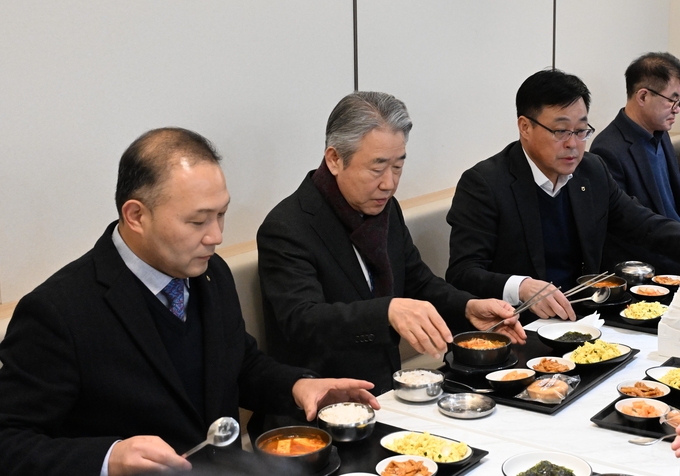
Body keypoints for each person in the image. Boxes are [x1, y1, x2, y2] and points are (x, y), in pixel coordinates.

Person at [0, 127, 379, 476]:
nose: (216, 236)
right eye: (198, 222)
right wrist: (108, 458)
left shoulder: (211, 274)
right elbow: (10, 441)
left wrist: (297, 385)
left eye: (222, 215)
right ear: (136, 215)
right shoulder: (59, 311)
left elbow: (238, 363)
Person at [257, 91, 525, 397]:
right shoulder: (288, 226)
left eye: (398, 166)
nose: (389, 182)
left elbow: (417, 281)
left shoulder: (385, 208)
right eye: (377, 168)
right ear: (334, 159)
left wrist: (467, 307)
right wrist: (386, 310)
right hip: (324, 403)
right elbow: (303, 321)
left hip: (388, 387)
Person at [446, 69, 680, 322]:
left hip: (588, 316)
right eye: (561, 131)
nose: (573, 144)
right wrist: (522, 287)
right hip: (518, 323)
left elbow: (642, 224)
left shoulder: (592, 171)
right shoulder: (485, 183)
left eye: (581, 131)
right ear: (525, 126)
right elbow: (463, 271)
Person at [590, 52, 680, 274]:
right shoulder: (607, 149)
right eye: (672, 100)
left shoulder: (661, 133)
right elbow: (627, 231)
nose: (677, 109)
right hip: (654, 266)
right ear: (643, 97)